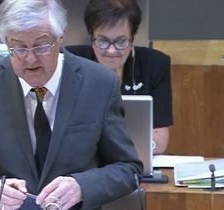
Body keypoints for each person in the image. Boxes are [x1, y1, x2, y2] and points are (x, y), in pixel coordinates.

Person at [0, 0, 143, 210]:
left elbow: (128, 168)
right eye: (18, 47)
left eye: (41, 45)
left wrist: (82, 186)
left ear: (61, 35)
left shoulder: (99, 84)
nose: (30, 58)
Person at [65, 0, 173, 154]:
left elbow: (160, 140)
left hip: (133, 162)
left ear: (132, 37)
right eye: (103, 41)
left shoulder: (155, 64)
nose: (111, 50)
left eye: (121, 41)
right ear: (91, 37)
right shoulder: (70, 62)